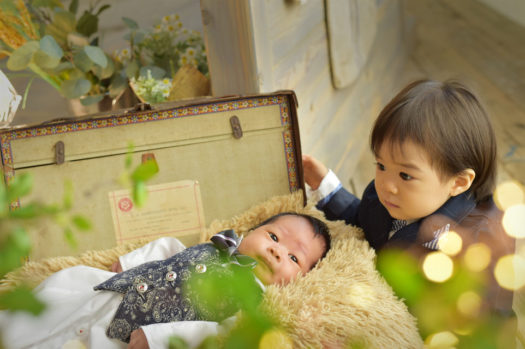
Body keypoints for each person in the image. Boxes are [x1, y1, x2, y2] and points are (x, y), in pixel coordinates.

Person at [303, 79, 515, 312]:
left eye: (405, 175)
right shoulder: (382, 196)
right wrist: (327, 189)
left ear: (458, 182)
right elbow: (363, 222)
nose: (387, 185)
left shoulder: (473, 245)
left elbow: (487, 321)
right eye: (381, 165)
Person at [0, 212, 330, 349]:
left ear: (298, 282)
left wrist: (157, 337)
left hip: (130, 336)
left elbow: (214, 331)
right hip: (111, 293)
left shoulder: (251, 300)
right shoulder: (216, 248)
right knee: (53, 306)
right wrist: (128, 262)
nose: (276, 251)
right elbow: (169, 247)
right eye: (273, 236)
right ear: (249, 232)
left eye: (294, 258)